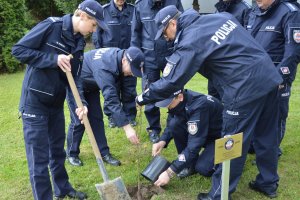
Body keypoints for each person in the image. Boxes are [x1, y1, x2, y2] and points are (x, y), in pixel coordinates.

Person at [136, 5, 283, 199]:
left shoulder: (190, 39)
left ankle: (217, 195)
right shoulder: (220, 17)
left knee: (231, 144)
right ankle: (268, 183)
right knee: (267, 135)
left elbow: (171, 81)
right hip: (269, 78)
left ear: (173, 23)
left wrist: (142, 97)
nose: (167, 38)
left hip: (243, 89)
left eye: (165, 33)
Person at [11, 0, 107, 199]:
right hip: (34, 103)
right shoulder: (51, 26)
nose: (94, 29)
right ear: (83, 16)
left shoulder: (79, 42)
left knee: (57, 151)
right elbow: (18, 50)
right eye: (94, 24)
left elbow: (76, 78)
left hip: (55, 104)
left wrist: (82, 105)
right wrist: (53, 60)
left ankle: (62, 188)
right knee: (38, 160)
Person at [67, 46, 144, 167]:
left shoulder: (117, 57)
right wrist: (127, 127)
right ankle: (71, 153)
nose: (132, 74)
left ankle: (104, 152)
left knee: (97, 119)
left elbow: (121, 89)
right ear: (124, 60)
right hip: (76, 85)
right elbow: (112, 99)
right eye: (132, 69)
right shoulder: (105, 67)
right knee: (79, 121)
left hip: (91, 85)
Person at [246, 0, 300, 157]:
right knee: (257, 112)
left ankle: (271, 152)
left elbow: (293, 53)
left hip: (277, 79)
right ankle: (256, 144)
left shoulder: (290, 12)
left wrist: (279, 78)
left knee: (275, 116)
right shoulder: (255, 11)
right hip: (254, 77)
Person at [131, 0, 184, 143]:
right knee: (150, 91)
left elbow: (182, 26)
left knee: (176, 90)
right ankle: (154, 128)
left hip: (170, 54)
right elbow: (135, 34)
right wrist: (137, 58)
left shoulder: (174, 2)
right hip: (149, 57)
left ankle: (177, 123)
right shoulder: (140, 5)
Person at [152, 89, 223, 187]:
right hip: (203, 132)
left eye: (168, 103)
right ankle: (190, 165)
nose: (167, 107)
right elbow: (171, 124)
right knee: (174, 124)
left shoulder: (199, 106)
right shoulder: (179, 102)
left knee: (203, 168)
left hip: (218, 137)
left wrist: (170, 171)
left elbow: (194, 146)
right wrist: (162, 141)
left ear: (180, 97)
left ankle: (229, 160)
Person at [92, 0, 137, 128]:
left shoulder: (134, 11)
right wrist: (99, 53)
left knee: (129, 89)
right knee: (112, 88)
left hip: (129, 58)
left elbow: (138, 32)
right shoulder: (103, 11)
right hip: (109, 60)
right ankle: (112, 116)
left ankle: (130, 115)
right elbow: (97, 35)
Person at [208, 0, 252, 100]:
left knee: (231, 99)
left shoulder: (245, 9)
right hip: (215, 63)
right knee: (213, 96)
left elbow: (248, 40)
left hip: (232, 65)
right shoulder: (219, 8)